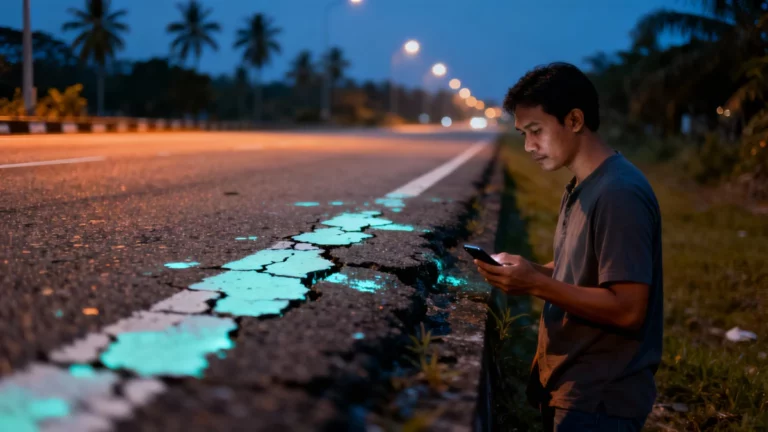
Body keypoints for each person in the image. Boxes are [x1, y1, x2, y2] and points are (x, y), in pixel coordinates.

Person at [474, 62, 663, 431]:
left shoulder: (618, 193)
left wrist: (536, 285)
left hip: (599, 399)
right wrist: (530, 270)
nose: (528, 146)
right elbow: (586, 271)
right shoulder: (584, 184)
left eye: (536, 131)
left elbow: (627, 309)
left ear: (574, 120)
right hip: (573, 385)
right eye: (522, 133)